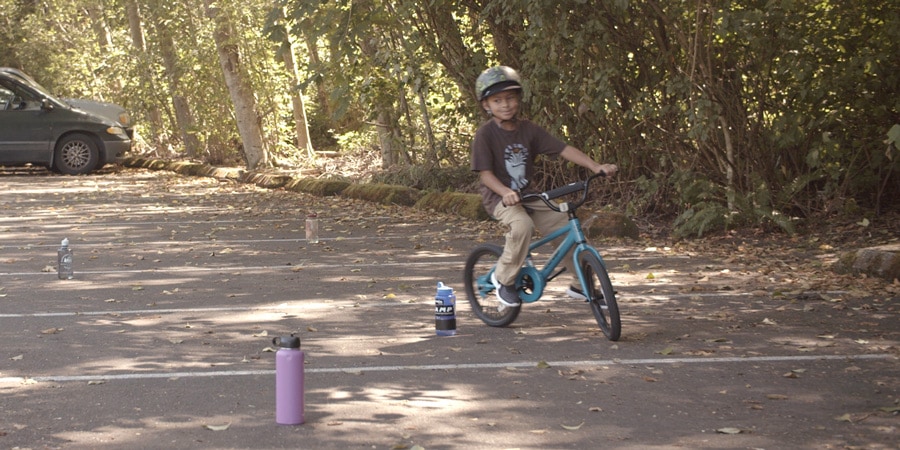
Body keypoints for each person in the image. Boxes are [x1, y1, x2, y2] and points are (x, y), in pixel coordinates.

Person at [470, 66, 618, 308]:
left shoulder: (529, 129)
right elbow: (485, 175)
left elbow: (563, 149)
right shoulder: (485, 135)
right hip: (499, 198)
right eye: (497, 100)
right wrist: (506, 192)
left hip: (530, 195)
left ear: (518, 98)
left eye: (510, 98)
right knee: (522, 226)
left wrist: (595, 166)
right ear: (487, 105)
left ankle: (582, 285)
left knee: (564, 225)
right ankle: (504, 280)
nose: (505, 105)